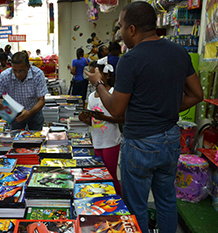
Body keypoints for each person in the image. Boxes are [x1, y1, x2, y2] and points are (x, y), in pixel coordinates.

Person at [85, 2, 203, 233]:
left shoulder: (131, 59)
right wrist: (165, 108)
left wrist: (98, 84)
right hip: (170, 138)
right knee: (167, 200)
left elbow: (116, 110)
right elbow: (197, 94)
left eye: (120, 27)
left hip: (140, 141)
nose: (119, 34)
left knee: (135, 205)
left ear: (132, 29)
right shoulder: (179, 51)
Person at [79, 58, 123, 195]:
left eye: (95, 74)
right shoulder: (92, 96)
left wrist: (103, 117)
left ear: (106, 75)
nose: (92, 79)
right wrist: (85, 120)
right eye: (90, 75)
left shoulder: (114, 93)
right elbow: (94, 122)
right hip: (97, 141)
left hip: (111, 142)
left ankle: (118, 201)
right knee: (99, 175)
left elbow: (121, 119)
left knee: (110, 175)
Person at [0, 52, 48, 130]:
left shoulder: (37, 74)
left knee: (36, 138)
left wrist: (29, 113)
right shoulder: (5, 75)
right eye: (14, 71)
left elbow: (41, 100)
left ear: (28, 67)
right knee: (15, 138)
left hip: (34, 111)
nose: (17, 74)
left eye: (21, 71)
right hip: (15, 114)